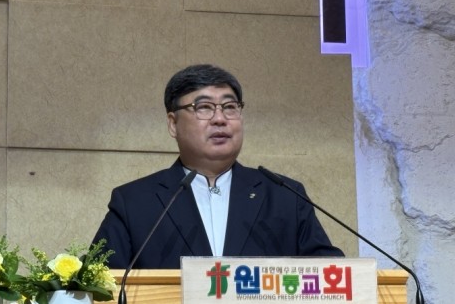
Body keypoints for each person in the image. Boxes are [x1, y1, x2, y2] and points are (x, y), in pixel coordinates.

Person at [92, 64, 343, 269]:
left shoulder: (285, 195)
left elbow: (333, 276)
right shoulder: (134, 202)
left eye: (230, 107)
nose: (220, 119)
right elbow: (97, 284)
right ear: (173, 124)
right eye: (204, 107)